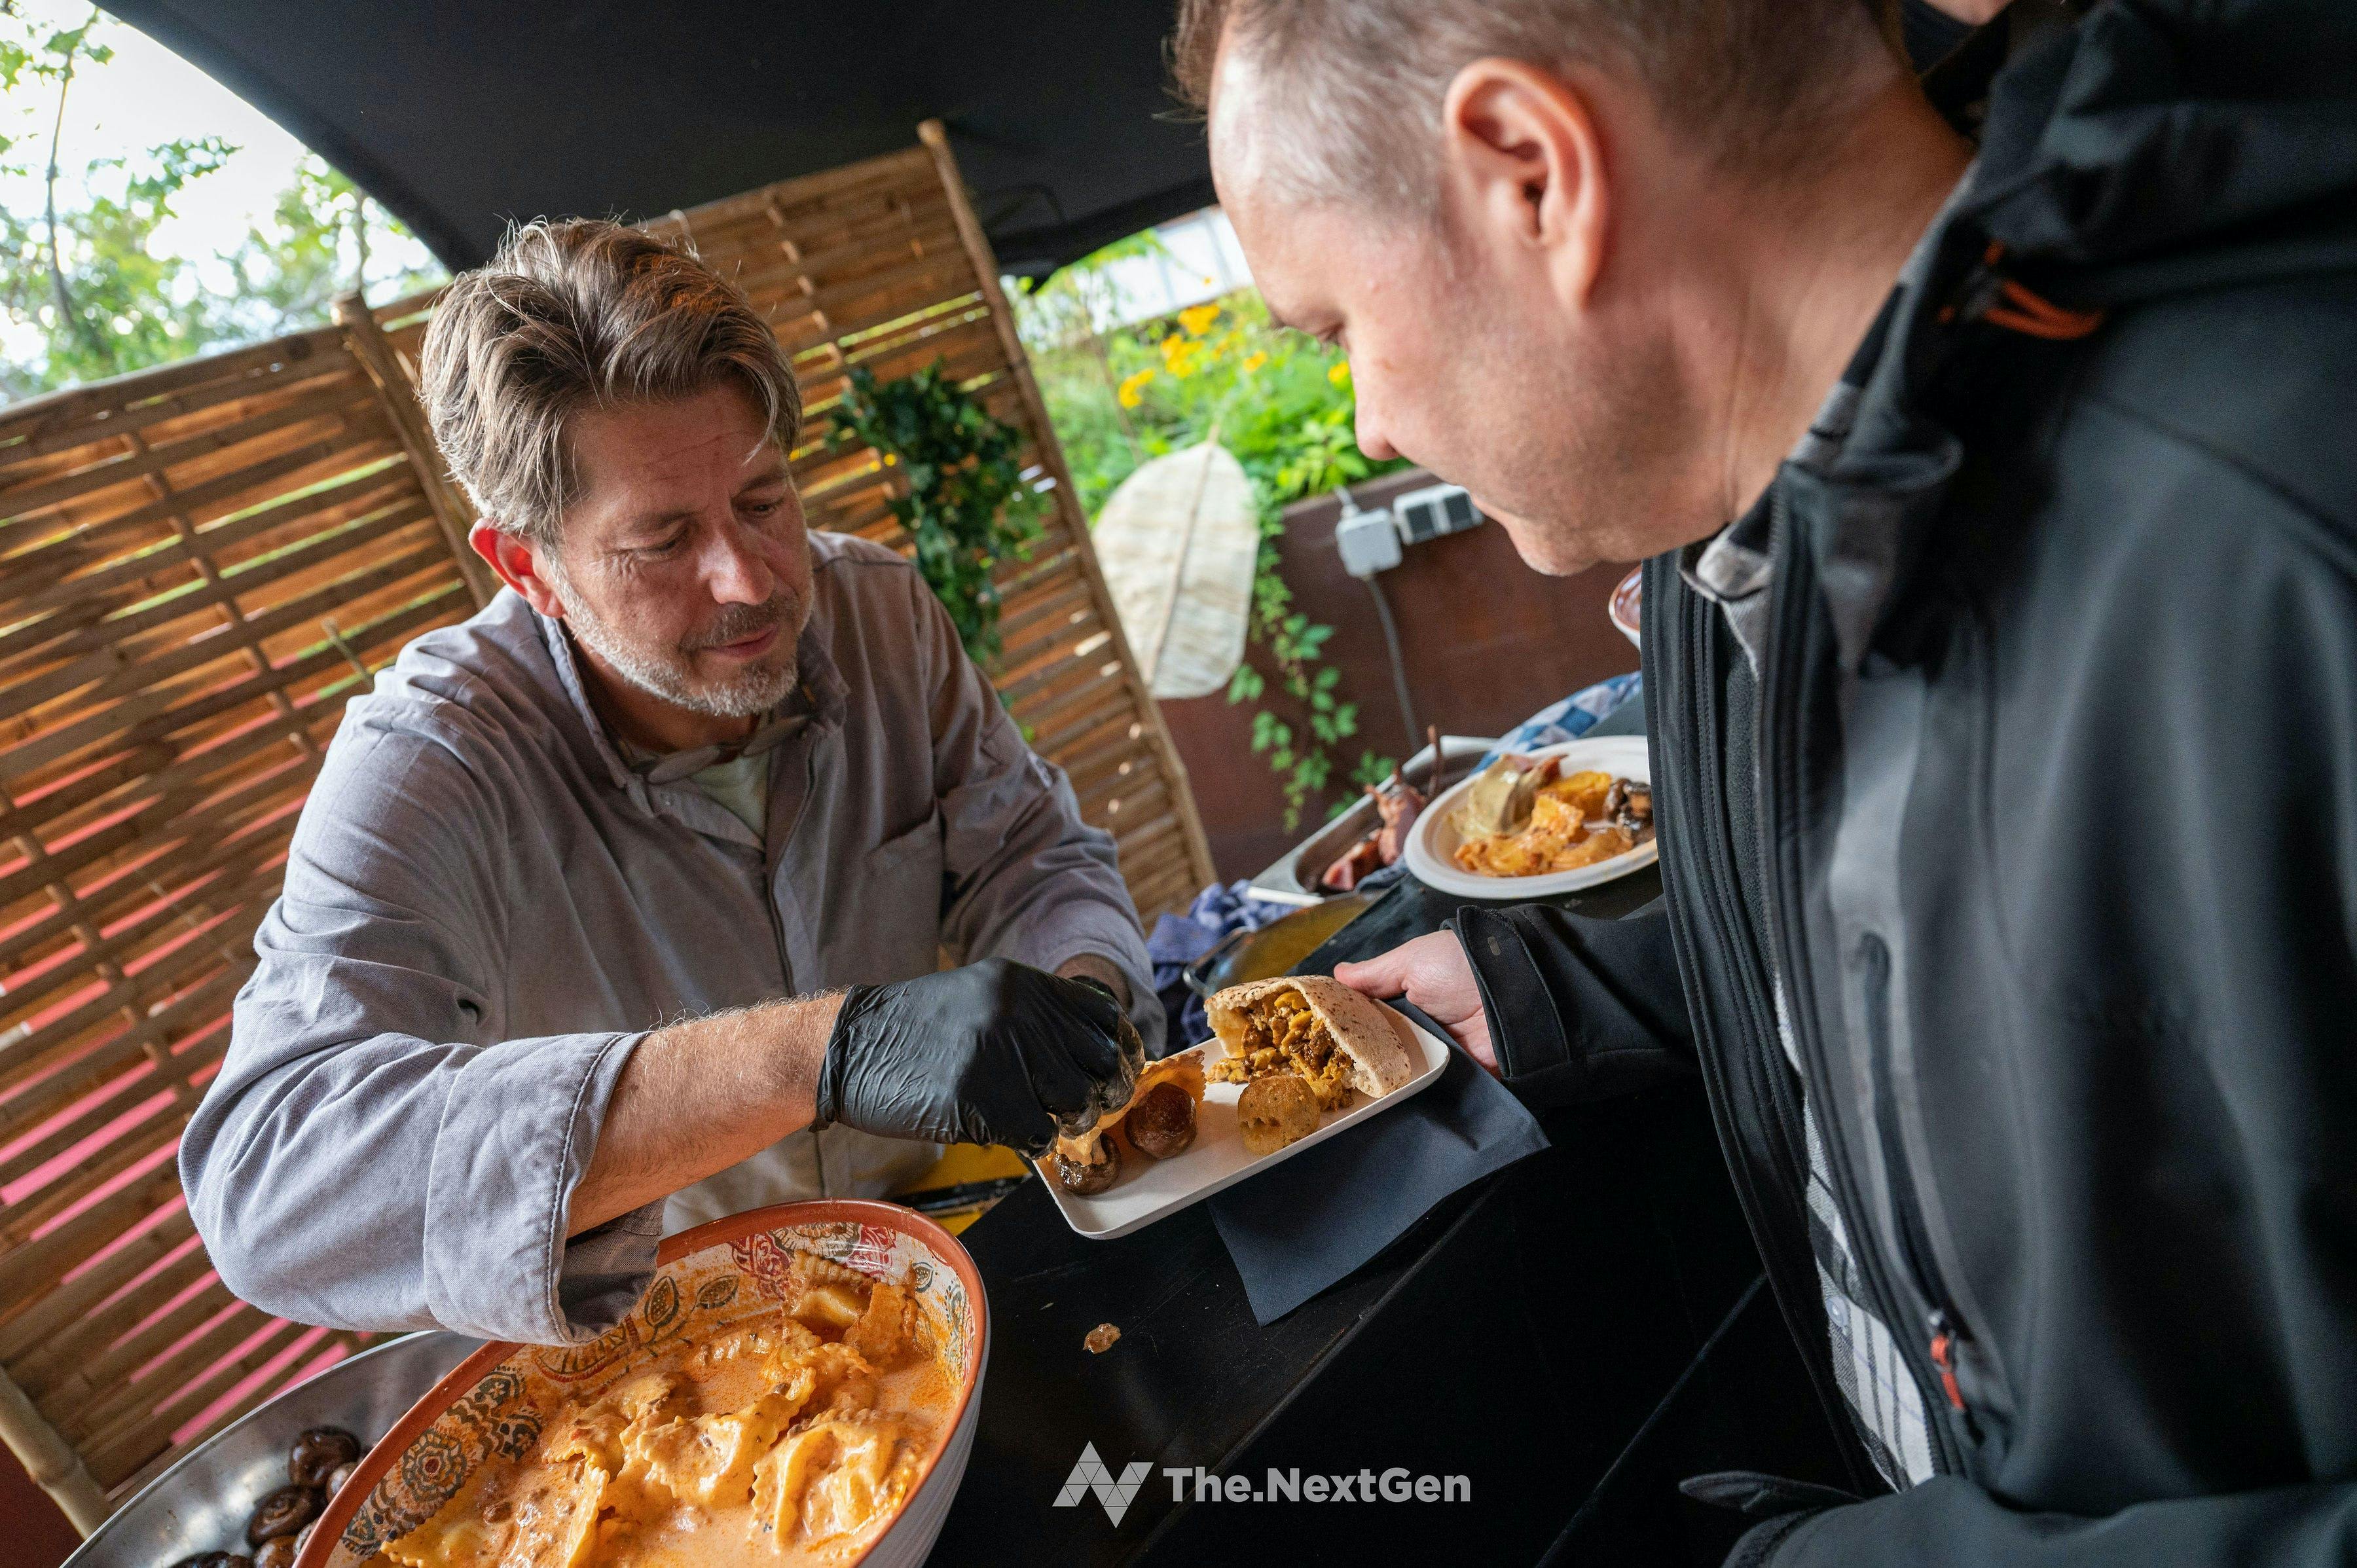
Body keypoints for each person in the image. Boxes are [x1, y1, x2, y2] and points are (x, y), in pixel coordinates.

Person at [1178, 0, 2357, 1561]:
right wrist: (1565, 994)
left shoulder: (2290, 542)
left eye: (1333, 329)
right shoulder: (1719, 551)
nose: (1369, 422)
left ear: (1536, 171)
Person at [181, 221, 1151, 1347]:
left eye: (764, 499)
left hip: (954, 1254)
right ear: (528, 566)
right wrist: (816, 1054)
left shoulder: (879, 613)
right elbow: (269, 1183)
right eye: (663, 541)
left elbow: (1030, 853)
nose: (749, 578)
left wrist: (1085, 995)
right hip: (671, 1360)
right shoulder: (432, 761)